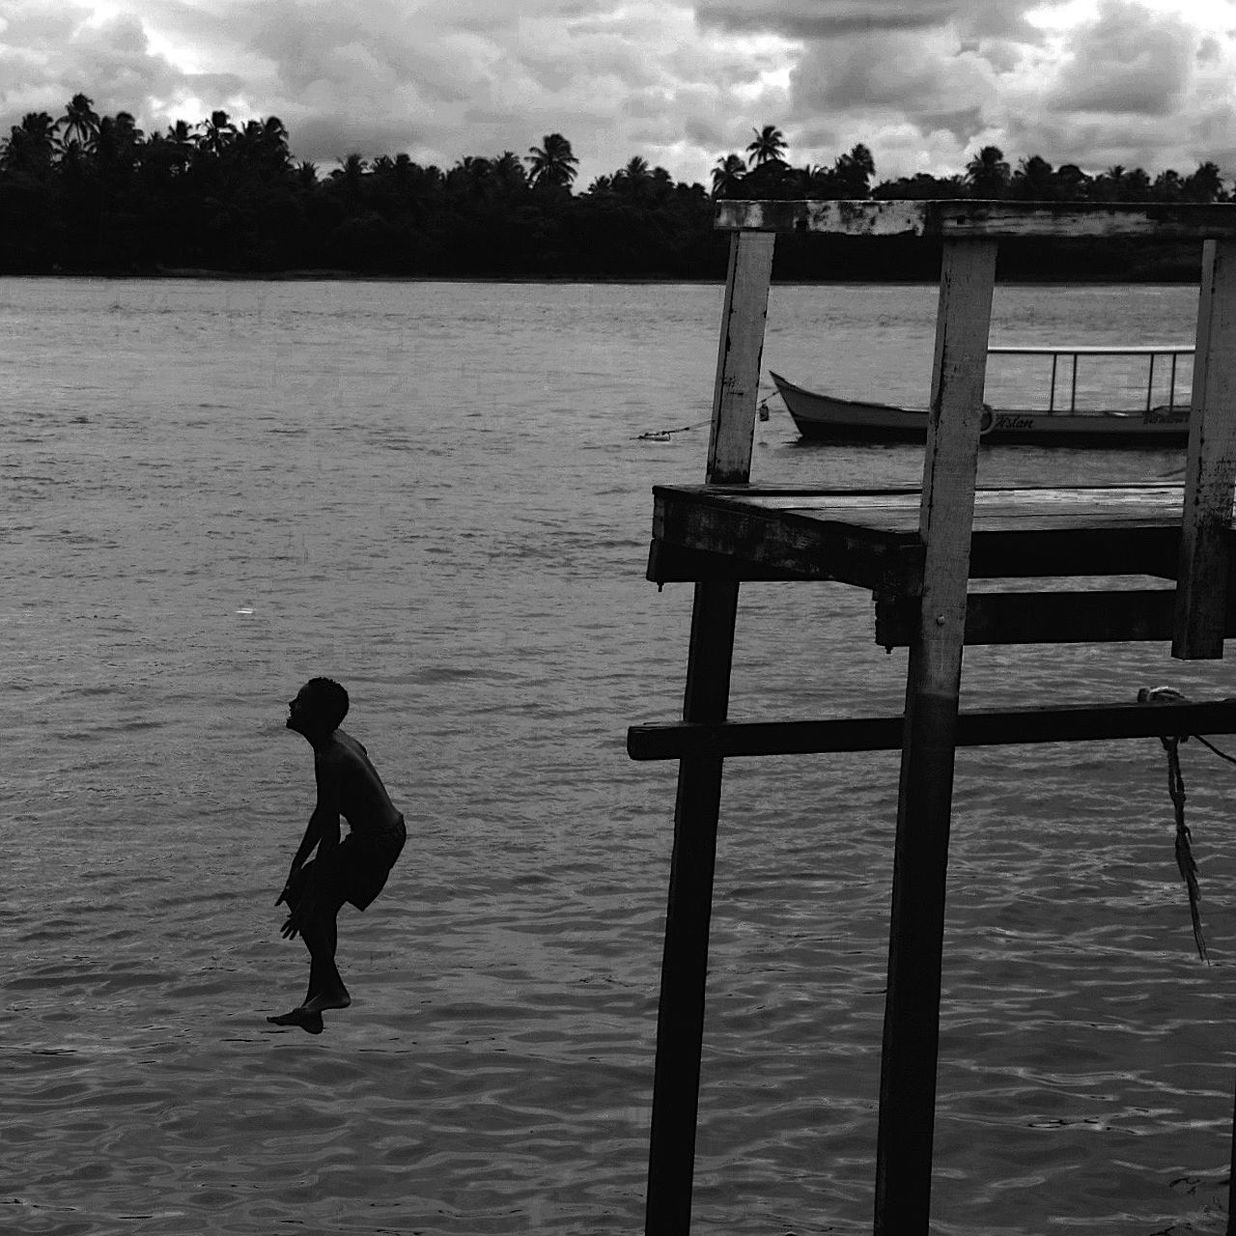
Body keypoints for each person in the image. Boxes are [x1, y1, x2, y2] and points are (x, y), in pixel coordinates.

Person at [268, 678, 406, 1034]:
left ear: (315, 717)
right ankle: (317, 1000)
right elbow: (325, 812)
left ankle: (331, 990)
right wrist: (296, 864)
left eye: (298, 702)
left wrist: (309, 894)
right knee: (307, 892)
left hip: (376, 841)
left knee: (307, 897)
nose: (290, 704)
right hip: (383, 834)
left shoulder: (330, 757)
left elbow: (330, 839)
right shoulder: (334, 742)